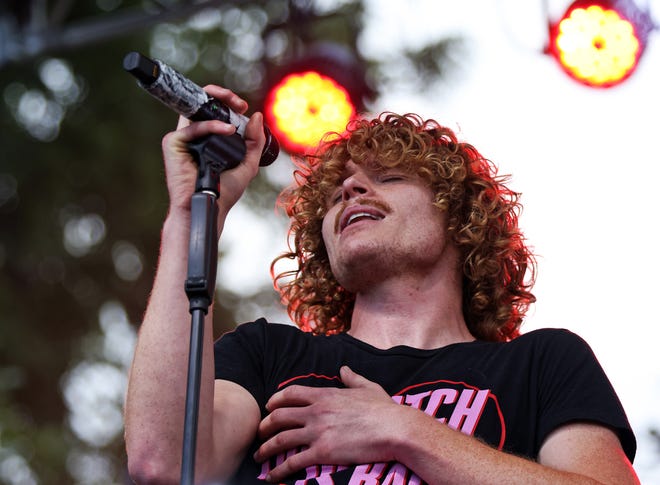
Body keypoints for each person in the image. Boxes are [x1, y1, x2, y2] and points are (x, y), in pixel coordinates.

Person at [123, 85, 640, 485]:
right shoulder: (268, 356)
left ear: (460, 219)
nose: (350, 188)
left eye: (389, 177)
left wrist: (401, 430)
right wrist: (193, 214)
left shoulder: (544, 363)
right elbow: (162, 464)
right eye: (337, 193)